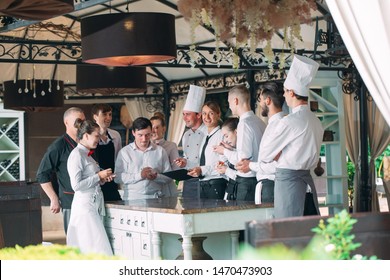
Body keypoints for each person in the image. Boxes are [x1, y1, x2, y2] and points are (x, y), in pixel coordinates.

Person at [260, 55, 324, 218]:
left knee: (288, 234)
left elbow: (265, 155)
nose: (284, 95)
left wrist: (279, 153)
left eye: (286, 91)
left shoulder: (289, 122)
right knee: (309, 232)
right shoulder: (316, 120)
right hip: (307, 182)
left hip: (288, 182)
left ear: (292, 93)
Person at [66, 119, 114, 256]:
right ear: (86, 136)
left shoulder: (88, 154)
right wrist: (98, 176)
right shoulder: (76, 155)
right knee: (97, 244)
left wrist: (103, 179)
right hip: (84, 207)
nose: (99, 139)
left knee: (95, 244)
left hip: (94, 204)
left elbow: (92, 180)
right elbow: (76, 186)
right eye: (97, 136)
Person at [36, 107, 85, 234]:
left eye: (83, 121)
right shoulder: (58, 146)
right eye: (77, 122)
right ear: (66, 123)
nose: (81, 125)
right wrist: (53, 198)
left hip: (89, 201)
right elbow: (42, 174)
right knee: (74, 240)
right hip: (70, 202)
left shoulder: (87, 144)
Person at [235, 82, 285, 204]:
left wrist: (251, 165)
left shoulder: (278, 125)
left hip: (272, 186)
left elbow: (278, 164)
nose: (259, 103)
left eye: (260, 99)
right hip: (270, 185)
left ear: (268, 101)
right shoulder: (272, 123)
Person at [214, 84, 266, 201]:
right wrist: (231, 149)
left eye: (229, 102)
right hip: (258, 179)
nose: (230, 106)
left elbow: (241, 161)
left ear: (235, 101)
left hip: (247, 183)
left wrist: (224, 151)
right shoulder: (259, 122)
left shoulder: (244, 123)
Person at [114, 117, 172, 200]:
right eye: (140, 135)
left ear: (151, 132)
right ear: (133, 133)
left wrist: (156, 177)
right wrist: (140, 175)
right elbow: (117, 178)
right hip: (132, 199)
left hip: (157, 198)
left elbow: (169, 177)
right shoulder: (124, 152)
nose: (144, 139)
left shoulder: (160, 151)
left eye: (147, 135)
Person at [187, 101, 226, 199]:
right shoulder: (205, 137)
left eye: (211, 113)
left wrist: (202, 170)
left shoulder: (222, 135)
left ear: (218, 114)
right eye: (204, 113)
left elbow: (223, 164)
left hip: (216, 183)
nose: (207, 117)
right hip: (203, 184)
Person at [174, 85, 207, 198]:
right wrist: (183, 162)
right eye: (183, 114)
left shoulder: (208, 132)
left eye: (188, 114)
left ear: (198, 115)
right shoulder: (186, 135)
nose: (184, 118)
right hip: (188, 180)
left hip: (204, 180)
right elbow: (188, 158)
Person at [91, 103, 122, 201]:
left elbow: (118, 159)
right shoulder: (89, 137)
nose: (108, 118)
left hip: (112, 182)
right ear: (95, 117)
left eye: (110, 114)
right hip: (96, 183)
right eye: (104, 114)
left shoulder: (115, 135)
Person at [150, 112, 180, 197]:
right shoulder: (145, 147)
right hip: (149, 187)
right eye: (151, 128)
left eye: (156, 127)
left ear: (163, 129)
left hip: (166, 187)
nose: (153, 131)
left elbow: (176, 169)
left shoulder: (171, 146)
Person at [215, 117, 239, 200]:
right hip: (231, 191)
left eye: (227, 136)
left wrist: (226, 170)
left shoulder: (243, 152)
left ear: (236, 132)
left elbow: (241, 177)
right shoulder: (233, 150)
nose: (225, 140)